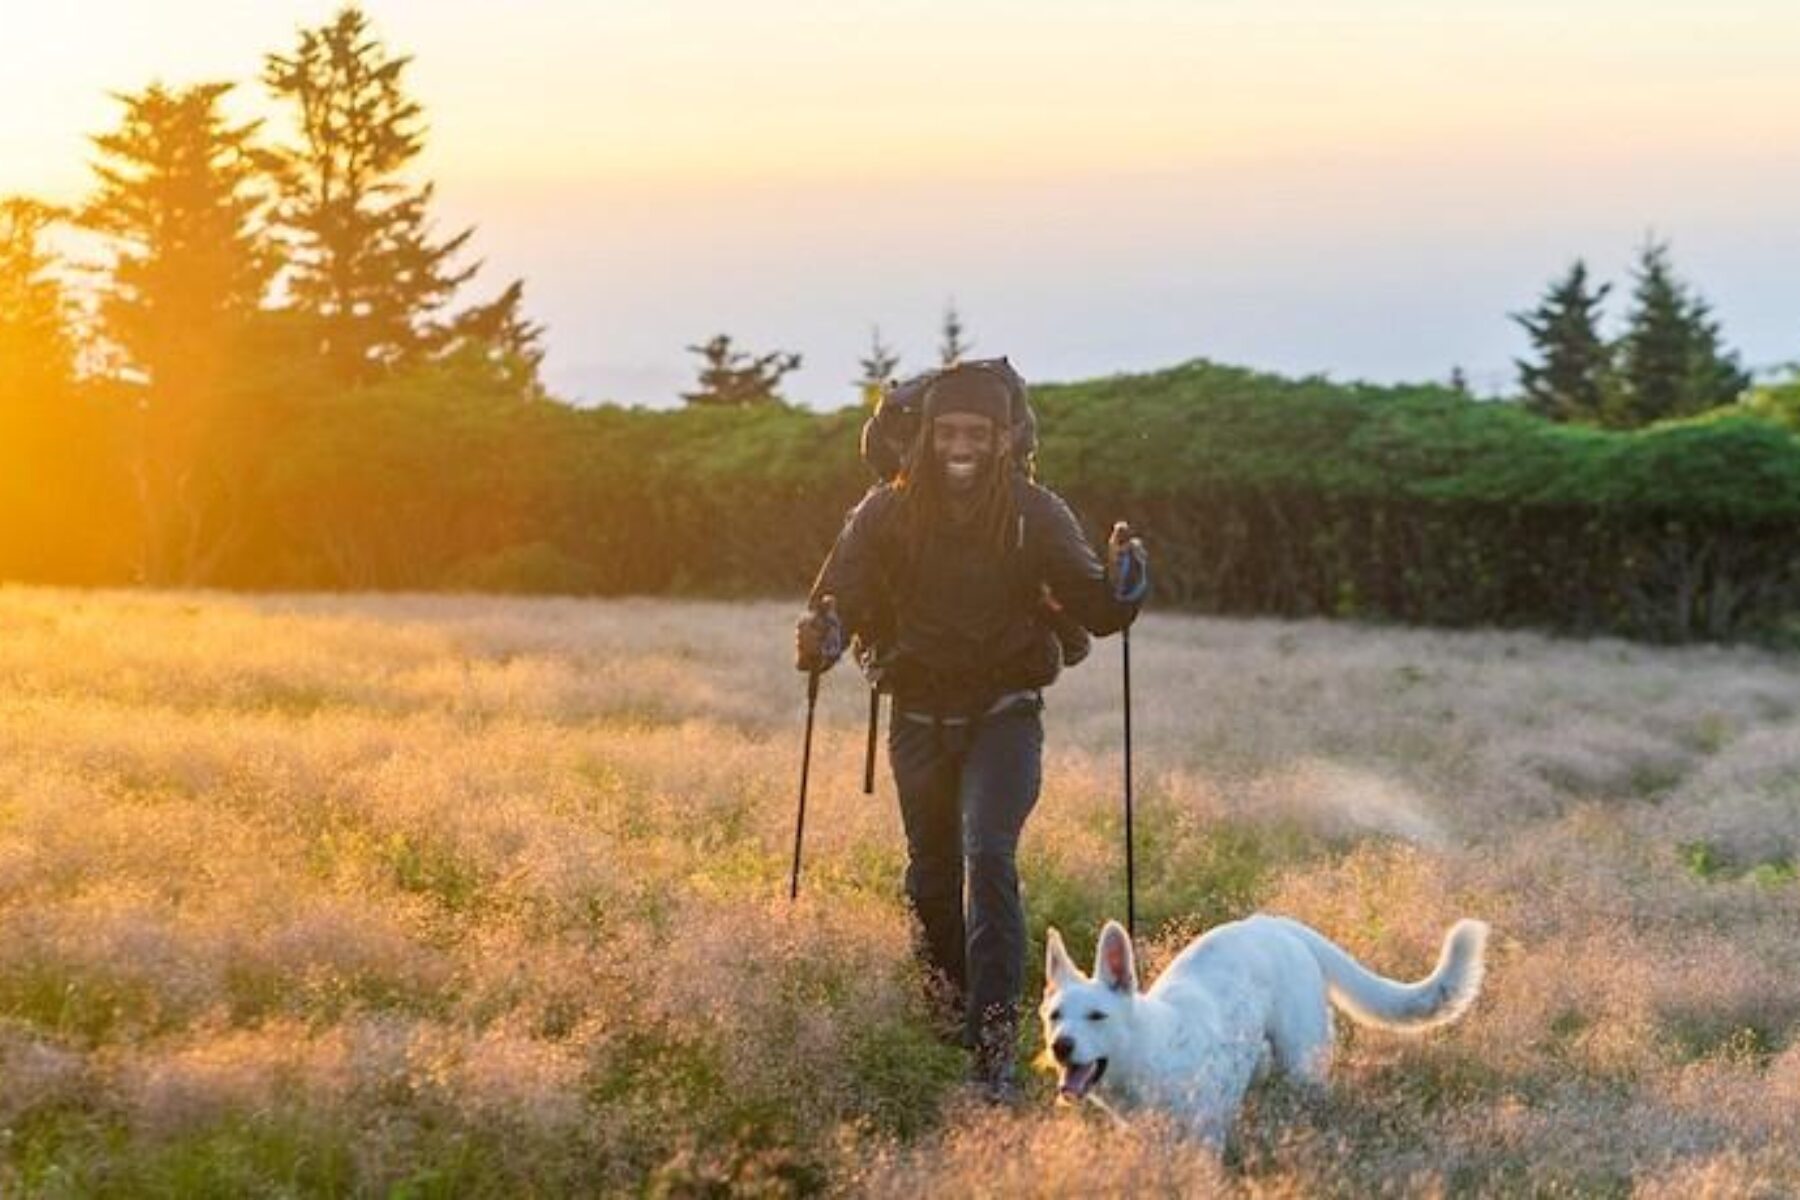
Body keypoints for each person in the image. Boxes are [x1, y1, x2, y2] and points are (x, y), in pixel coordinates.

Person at [795, 361, 1146, 1102]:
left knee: (989, 858)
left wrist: (1126, 584)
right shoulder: (883, 512)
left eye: (977, 433)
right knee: (930, 875)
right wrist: (823, 635)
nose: (962, 445)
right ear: (924, 435)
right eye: (949, 430)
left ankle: (992, 1053)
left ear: (1004, 438)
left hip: (1005, 716)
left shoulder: (1034, 511)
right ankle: (946, 1014)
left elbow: (1097, 612)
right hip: (916, 716)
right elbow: (837, 599)